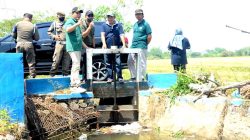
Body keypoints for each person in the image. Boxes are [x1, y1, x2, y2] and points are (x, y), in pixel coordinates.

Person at [64, 7, 86, 93]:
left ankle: (74, 84)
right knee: (76, 64)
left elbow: (80, 37)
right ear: (72, 13)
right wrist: (77, 24)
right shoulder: (70, 21)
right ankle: (75, 85)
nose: (79, 14)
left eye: (80, 13)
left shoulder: (77, 22)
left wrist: (86, 47)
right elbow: (67, 30)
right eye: (77, 13)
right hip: (72, 48)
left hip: (77, 48)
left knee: (76, 65)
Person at [101, 11, 126, 83]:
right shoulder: (104, 25)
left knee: (118, 62)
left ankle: (120, 77)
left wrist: (124, 44)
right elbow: (102, 35)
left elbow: (121, 35)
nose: (110, 18)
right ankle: (110, 77)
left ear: (114, 17)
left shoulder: (119, 25)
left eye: (111, 17)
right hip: (107, 47)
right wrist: (104, 43)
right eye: (108, 17)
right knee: (108, 62)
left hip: (117, 46)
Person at [12, 13, 39, 78]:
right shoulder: (33, 26)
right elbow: (37, 38)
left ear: (23, 17)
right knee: (31, 62)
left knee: (18, 60)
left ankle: (18, 76)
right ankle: (32, 76)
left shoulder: (17, 24)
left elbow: (13, 35)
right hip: (29, 44)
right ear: (31, 18)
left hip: (19, 44)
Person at [127, 9, 152, 81]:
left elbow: (149, 36)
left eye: (139, 14)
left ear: (143, 15)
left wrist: (145, 43)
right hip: (133, 45)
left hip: (142, 45)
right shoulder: (135, 24)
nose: (138, 15)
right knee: (130, 60)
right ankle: (134, 76)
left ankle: (141, 77)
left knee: (142, 62)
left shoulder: (146, 24)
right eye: (136, 14)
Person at [47, 12, 71, 77]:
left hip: (68, 45)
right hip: (59, 44)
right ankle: (52, 75)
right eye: (60, 16)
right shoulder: (54, 23)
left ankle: (65, 76)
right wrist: (54, 36)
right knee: (56, 61)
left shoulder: (68, 23)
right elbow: (49, 32)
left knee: (67, 62)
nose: (61, 17)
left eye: (63, 16)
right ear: (57, 16)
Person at [81, 10, 95, 82]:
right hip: (83, 45)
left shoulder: (93, 25)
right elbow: (83, 35)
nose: (90, 17)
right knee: (84, 62)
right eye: (89, 15)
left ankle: (90, 78)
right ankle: (84, 78)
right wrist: (89, 27)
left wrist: (94, 47)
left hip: (90, 45)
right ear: (85, 16)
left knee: (90, 62)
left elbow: (93, 36)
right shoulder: (82, 24)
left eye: (92, 15)